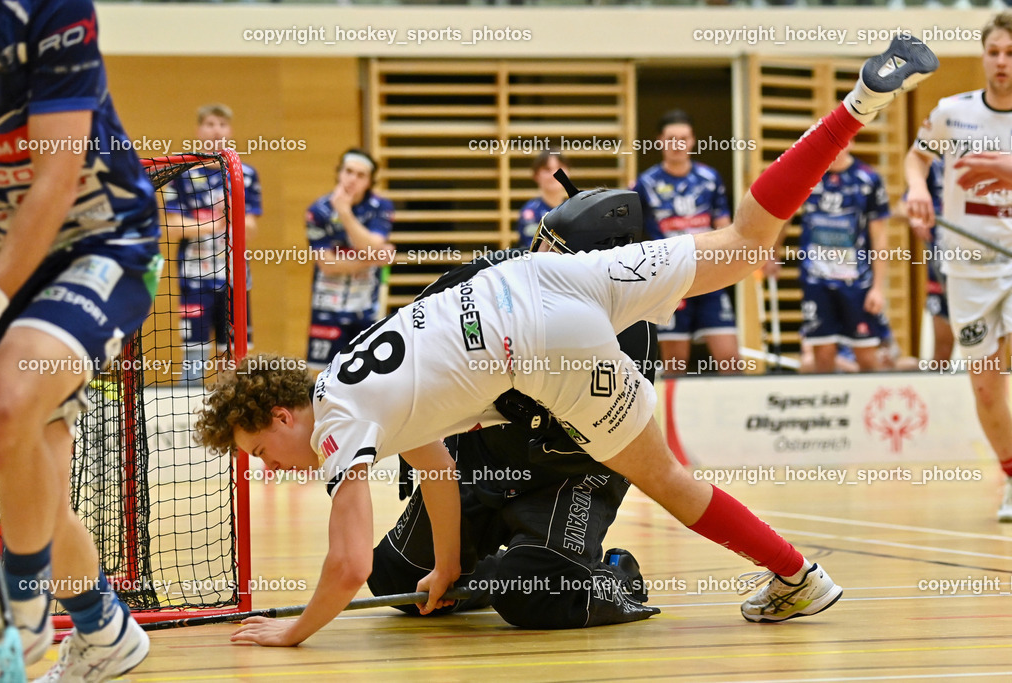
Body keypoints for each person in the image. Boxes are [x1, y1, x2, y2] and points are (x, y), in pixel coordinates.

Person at [194, 35, 937, 646]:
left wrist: (290, 631)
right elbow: (437, 464)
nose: (270, 466)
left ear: (283, 414)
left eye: (259, 450)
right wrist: (447, 565)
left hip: (542, 342)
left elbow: (351, 558)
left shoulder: (336, 425)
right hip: (545, 279)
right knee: (745, 241)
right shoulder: (356, 379)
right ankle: (858, 104)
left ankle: (798, 573)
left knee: (668, 481)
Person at [368, 176, 661, 628]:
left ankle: (614, 575)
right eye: (541, 242)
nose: (536, 259)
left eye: (554, 253)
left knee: (534, 596)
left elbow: (616, 440)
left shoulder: (632, 330)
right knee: (395, 579)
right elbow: (409, 356)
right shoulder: (481, 277)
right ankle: (488, 575)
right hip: (480, 463)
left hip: (565, 476)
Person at [0, 1, 165, 679]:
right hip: (1, 250)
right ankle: (103, 628)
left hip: (96, 240)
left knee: (6, 404)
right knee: (30, 463)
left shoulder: (48, 9)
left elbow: (56, 179)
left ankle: (19, 616)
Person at [905, 12, 1012, 522]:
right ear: (983, 55)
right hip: (967, 269)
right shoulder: (952, 112)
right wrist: (918, 189)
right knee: (987, 386)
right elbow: (916, 159)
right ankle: (1011, 477)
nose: (1002, 62)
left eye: (1011, 53)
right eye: (995, 51)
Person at [633, 109, 740, 376]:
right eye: (671, 138)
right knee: (675, 363)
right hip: (671, 282)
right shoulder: (645, 184)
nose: (677, 144)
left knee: (730, 359)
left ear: (692, 141)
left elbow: (723, 224)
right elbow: (634, 232)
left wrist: (730, 263)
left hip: (709, 276)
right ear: (660, 141)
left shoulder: (710, 178)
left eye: (683, 138)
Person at [768, 142, 891, 373]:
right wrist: (772, 254)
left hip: (857, 283)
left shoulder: (868, 180)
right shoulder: (807, 176)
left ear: (851, 142)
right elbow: (783, 219)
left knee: (866, 357)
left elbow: (880, 237)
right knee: (822, 356)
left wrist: (878, 288)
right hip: (817, 281)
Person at [163, 103, 262, 385]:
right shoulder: (180, 173)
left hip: (233, 278)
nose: (216, 130)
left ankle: (228, 419)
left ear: (230, 131)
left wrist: (231, 213)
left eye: (222, 124)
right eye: (209, 124)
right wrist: (218, 221)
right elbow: (172, 227)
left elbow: (251, 229)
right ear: (198, 130)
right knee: (194, 356)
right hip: (194, 278)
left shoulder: (245, 174)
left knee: (232, 359)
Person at [306, 149, 395, 367]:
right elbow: (327, 264)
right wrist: (374, 259)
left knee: (366, 374)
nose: (352, 179)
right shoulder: (318, 211)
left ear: (370, 182)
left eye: (361, 175)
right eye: (348, 172)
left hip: (366, 309)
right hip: (327, 307)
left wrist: (345, 213)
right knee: (321, 375)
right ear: (339, 173)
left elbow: (372, 244)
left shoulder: (380, 207)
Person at [899, 159, 953, 363]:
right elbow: (900, 207)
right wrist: (914, 215)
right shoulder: (934, 163)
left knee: (995, 350)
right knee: (942, 352)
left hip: (988, 272)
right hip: (941, 274)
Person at [515, 150, 570, 249]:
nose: (554, 174)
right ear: (536, 175)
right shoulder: (530, 212)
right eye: (547, 169)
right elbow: (535, 250)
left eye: (559, 168)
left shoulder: (575, 209)